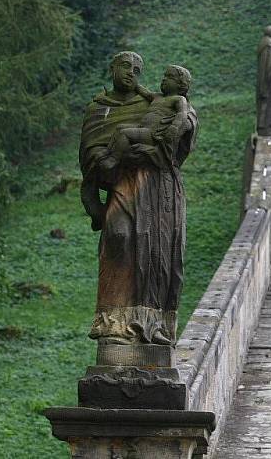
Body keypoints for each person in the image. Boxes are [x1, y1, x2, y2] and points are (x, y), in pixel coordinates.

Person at [79, 51, 198, 346]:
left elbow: (183, 127)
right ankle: (113, 322)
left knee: (154, 252)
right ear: (112, 69)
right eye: (125, 67)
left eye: (137, 69)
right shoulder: (98, 108)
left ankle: (150, 322)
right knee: (118, 237)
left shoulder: (150, 102)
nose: (132, 73)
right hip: (121, 183)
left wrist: (182, 124)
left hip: (155, 189)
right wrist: (107, 160)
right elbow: (89, 152)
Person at [104, 65, 192, 169]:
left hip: (153, 134)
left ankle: (114, 159)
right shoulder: (157, 96)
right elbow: (145, 92)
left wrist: (174, 128)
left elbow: (182, 114)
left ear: (181, 84)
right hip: (143, 128)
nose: (164, 79)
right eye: (164, 76)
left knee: (124, 133)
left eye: (170, 77)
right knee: (120, 128)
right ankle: (109, 152)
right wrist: (134, 83)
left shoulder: (179, 99)